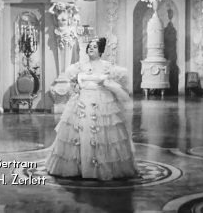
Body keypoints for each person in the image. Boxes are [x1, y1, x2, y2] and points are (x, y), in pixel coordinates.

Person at [46, 37, 139, 180]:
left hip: (102, 101)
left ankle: (101, 166)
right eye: (89, 46)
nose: (91, 48)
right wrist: (76, 86)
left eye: (94, 47)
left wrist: (105, 82)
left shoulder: (108, 66)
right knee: (78, 134)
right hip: (82, 101)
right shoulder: (79, 66)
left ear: (100, 50)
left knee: (103, 135)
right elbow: (73, 84)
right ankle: (79, 167)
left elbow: (115, 83)